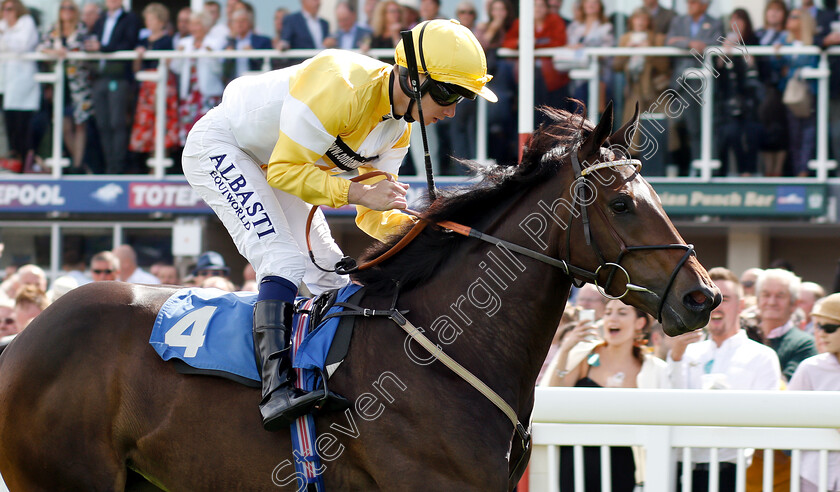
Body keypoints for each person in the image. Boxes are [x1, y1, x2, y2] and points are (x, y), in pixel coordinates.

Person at [181, 19, 496, 431]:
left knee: (330, 275)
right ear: (417, 82)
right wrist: (359, 193)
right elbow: (284, 172)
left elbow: (376, 214)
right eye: (450, 94)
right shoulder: (340, 84)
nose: (453, 110)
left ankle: (324, 376)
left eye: (463, 98)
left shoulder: (396, 133)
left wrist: (430, 239)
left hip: (283, 164)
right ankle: (276, 391)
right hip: (225, 148)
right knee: (284, 262)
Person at [668, 267, 782, 492]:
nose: (715, 306)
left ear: (741, 306)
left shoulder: (762, 356)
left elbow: (766, 418)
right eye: (708, 298)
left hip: (732, 472)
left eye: (724, 299)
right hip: (682, 469)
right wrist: (676, 357)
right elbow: (669, 407)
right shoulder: (686, 352)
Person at [546, 299, 669, 491]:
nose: (612, 318)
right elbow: (552, 398)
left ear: (640, 323)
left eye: (622, 313)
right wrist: (566, 350)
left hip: (621, 465)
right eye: (608, 312)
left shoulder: (651, 369)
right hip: (575, 461)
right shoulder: (585, 355)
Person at [788, 293, 840, 492]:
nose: (820, 333)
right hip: (814, 474)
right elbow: (788, 417)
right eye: (817, 326)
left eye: (829, 328)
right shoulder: (809, 367)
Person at [665, 0, 723, 175]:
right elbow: (670, 40)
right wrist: (690, 43)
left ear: (704, 5)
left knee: (706, 125)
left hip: (704, 81)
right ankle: (693, 166)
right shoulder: (678, 20)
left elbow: (713, 43)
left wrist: (691, 42)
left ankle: (706, 168)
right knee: (688, 127)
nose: (690, 4)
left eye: (694, 2)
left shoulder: (715, 22)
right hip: (682, 81)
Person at [85, 0, 141, 175]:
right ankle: (109, 165)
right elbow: (92, 40)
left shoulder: (130, 18)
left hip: (118, 77)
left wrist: (102, 48)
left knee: (117, 122)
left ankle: (118, 166)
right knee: (103, 123)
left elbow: (128, 44)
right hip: (100, 77)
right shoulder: (101, 19)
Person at [39, 0, 93, 174]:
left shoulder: (81, 28)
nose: (66, 11)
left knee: (79, 124)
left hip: (78, 84)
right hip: (60, 83)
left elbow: (84, 47)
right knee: (64, 125)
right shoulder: (54, 29)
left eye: (70, 8)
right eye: (63, 8)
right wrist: (55, 52)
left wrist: (66, 51)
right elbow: (42, 47)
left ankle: (77, 165)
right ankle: (79, 163)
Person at [503, 0, 568, 126]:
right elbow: (507, 43)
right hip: (528, 75)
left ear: (547, 8)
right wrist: (520, 43)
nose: (537, 9)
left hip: (553, 77)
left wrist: (535, 43)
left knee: (552, 114)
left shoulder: (555, 20)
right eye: (534, 5)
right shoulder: (520, 22)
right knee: (530, 111)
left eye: (541, 5)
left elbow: (560, 42)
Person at [129, 3, 179, 158]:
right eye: (147, 19)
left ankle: (161, 159)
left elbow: (169, 62)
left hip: (161, 83)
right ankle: (152, 160)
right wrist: (138, 56)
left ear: (160, 21)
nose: (148, 22)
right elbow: (136, 68)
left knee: (162, 120)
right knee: (148, 122)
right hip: (146, 86)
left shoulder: (167, 40)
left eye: (152, 19)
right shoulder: (142, 40)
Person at [613, 8, 668, 148]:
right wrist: (627, 51)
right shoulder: (625, 38)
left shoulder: (657, 38)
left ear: (649, 22)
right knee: (632, 127)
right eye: (637, 18)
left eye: (644, 19)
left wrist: (650, 51)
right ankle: (632, 157)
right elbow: (616, 65)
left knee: (656, 128)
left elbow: (664, 66)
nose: (640, 22)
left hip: (654, 88)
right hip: (634, 87)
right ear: (631, 21)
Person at [171, 10, 226, 147]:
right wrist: (178, 54)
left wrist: (209, 54)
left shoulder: (216, 42)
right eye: (192, 24)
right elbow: (175, 68)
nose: (194, 28)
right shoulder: (184, 42)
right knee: (189, 132)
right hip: (189, 95)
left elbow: (219, 69)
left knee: (208, 132)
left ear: (206, 26)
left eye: (198, 24)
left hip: (207, 94)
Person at [777, 8, 819, 177]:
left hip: (808, 94)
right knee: (794, 135)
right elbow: (778, 68)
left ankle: (804, 169)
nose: (790, 20)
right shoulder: (785, 42)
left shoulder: (813, 42)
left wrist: (794, 71)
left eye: (794, 17)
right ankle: (797, 170)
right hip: (790, 94)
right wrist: (778, 55)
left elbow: (814, 63)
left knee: (809, 134)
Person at [756, 268, 817, 380]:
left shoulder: (804, 344)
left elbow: (788, 387)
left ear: (794, 304)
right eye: (766, 295)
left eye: (780, 296)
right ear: (757, 300)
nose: (771, 302)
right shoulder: (745, 336)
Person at [0, 0, 40, 167]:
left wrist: (5, 34)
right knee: (9, 124)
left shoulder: (27, 23)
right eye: (3, 9)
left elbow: (22, 46)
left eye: (10, 9)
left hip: (22, 82)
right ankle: (13, 160)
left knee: (22, 124)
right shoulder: (3, 25)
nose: (6, 13)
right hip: (5, 81)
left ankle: (25, 162)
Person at [754, 0, 789, 177]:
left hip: (780, 86)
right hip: (761, 85)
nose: (774, 14)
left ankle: (779, 168)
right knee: (764, 126)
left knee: (780, 128)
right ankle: (767, 168)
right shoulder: (759, 34)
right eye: (771, 11)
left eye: (778, 11)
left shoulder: (787, 34)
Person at [566, 0, 614, 110]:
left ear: (600, 6)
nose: (591, 5)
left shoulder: (606, 27)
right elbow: (568, 45)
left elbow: (607, 51)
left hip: (598, 75)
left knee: (596, 112)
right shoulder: (574, 26)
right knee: (577, 112)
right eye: (587, 2)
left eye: (594, 2)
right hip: (577, 77)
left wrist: (586, 49)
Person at [223, 7, 272, 82]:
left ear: (249, 23)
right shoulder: (229, 43)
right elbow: (225, 71)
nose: (239, 24)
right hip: (235, 84)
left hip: (255, 83)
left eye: (243, 21)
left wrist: (253, 54)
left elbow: (270, 64)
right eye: (236, 21)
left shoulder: (263, 41)